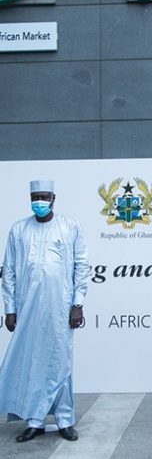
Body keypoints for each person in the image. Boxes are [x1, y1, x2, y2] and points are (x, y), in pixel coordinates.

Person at [0, 180, 89, 443]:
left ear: (53, 197)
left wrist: (78, 304)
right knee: (33, 363)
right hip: (27, 309)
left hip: (60, 308)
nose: (39, 201)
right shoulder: (18, 230)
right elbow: (9, 273)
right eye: (35, 197)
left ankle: (65, 420)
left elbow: (82, 267)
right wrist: (10, 309)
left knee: (60, 363)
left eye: (44, 196)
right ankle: (35, 420)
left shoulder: (70, 227)